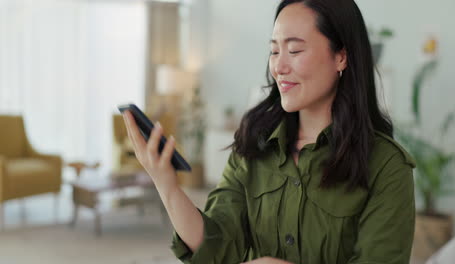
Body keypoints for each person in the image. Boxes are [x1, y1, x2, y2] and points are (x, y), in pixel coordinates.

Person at [122, 0, 416, 263]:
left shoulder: (387, 166)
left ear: (341, 57)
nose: (279, 66)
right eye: (274, 51)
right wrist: (167, 185)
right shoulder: (253, 143)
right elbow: (217, 246)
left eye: (295, 50)